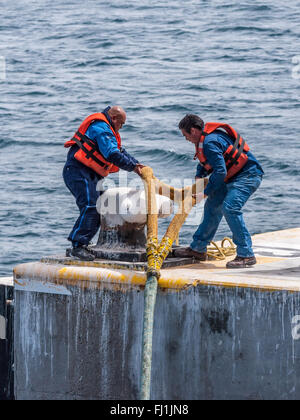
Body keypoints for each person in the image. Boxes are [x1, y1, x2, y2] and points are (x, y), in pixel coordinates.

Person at [174, 114, 264, 268]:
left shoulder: (210, 142)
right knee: (212, 207)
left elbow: (220, 171)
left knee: (230, 208)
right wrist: (199, 175)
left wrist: (205, 192)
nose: (186, 139)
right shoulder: (207, 140)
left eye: (185, 135)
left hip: (248, 176)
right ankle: (197, 249)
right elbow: (207, 162)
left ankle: (246, 254)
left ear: (194, 131)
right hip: (231, 177)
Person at [63, 106, 145, 261]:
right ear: (114, 119)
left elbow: (120, 151)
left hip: (89, 173)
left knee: (100, 206)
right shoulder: (102, 129)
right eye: (121, 124)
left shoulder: (107, 129)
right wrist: (132, 167)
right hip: (77, 171)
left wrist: (137, 164)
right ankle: (78, 245)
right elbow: (113, 154)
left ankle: (83, 243)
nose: (121, 127)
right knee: (91, 206)